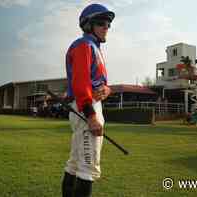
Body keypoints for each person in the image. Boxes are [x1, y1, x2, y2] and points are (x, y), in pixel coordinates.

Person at [61, 3, 114, 197]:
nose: (106, 26)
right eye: (101, 22)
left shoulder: (94, 48)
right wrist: (91, 116)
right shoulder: (83, 45)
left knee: (75, 164)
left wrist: (107, 90)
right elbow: (81, 83)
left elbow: (101, 83)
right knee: (88, 167)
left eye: (108, 23)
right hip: (86, 108)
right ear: (88, 25)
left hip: (88, 105)